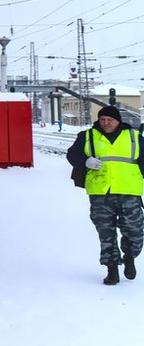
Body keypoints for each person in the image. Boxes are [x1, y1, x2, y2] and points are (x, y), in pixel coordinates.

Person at [66, 105, 144, 285]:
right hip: (100, 192)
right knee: (106, 233)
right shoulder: (87, 136)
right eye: (103, 119)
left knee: (135, 231)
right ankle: (112, 269)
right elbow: (72, 155)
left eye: (110, 120)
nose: (106, 123)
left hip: (129, 191)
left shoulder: (134, 137)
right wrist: (85, 161)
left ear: (118, 121)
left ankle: (130, 256)